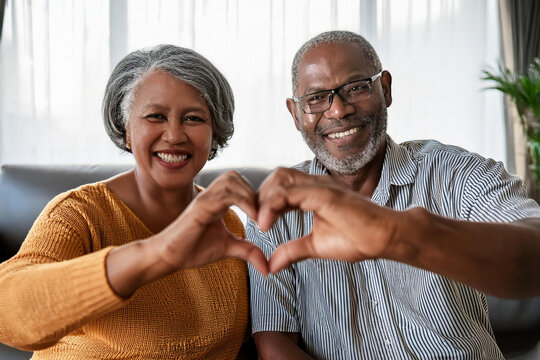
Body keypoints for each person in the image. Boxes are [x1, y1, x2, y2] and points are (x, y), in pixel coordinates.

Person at [246, 30, 540, 359]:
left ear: (384, 88)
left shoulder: (456, 172)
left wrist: (401, 235)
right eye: (316, 98)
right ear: (296, 114)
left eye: (356, 87)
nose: (339, 110)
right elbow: (274, 345)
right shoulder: (274, 209)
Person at [0, 44, 268, 359]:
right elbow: (9, 315)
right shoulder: (78, 214)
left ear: (214, 135)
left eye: (193, 118)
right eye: (155, 116)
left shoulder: (231, 226)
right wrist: (157, 253)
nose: (174, 135)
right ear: (126, 129)